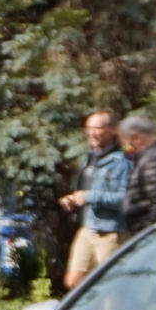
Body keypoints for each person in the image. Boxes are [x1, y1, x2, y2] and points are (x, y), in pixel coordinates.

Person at [59, 110, 130, 289]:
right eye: (88, 128)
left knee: (109, 286)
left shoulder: (122, 161)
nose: (91, 133)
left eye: (97, 128)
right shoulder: (89, 157)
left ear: (113, 129)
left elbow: (125, 199)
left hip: (111, 232)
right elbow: (86, 191)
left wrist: (88, 197)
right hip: (88, 228)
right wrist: (73, 199)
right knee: (73, 281)